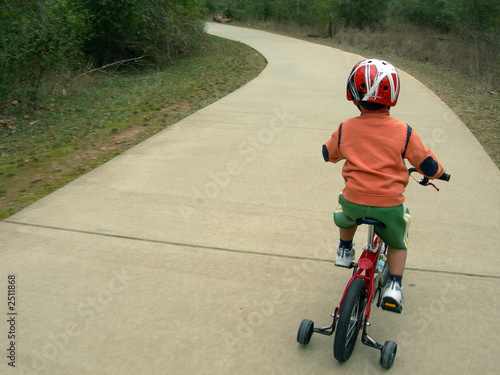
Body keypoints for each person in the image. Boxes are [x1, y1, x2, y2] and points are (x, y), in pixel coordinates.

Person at [322, 59, 447, 313]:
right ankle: (395, 287)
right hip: (388, 206)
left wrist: (334, 150)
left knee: (342, 208)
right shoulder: (404, 131)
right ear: (393, 96)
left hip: (354, 202)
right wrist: (439, 173)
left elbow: (328, 153)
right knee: (400, 238)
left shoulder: (346, 128)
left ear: (353, 96)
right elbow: (428, 165)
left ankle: (344, 250)